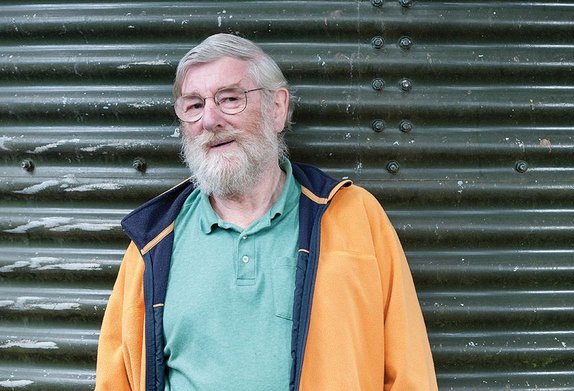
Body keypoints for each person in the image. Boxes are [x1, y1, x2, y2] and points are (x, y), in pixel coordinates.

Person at [95, 33, 438, 390]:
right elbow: (114, 380)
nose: (210, 120)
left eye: (230, 99)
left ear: (277, 108)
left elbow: (409, 371)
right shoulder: (154, 241)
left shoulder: (355, 216)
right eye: (194, 105)